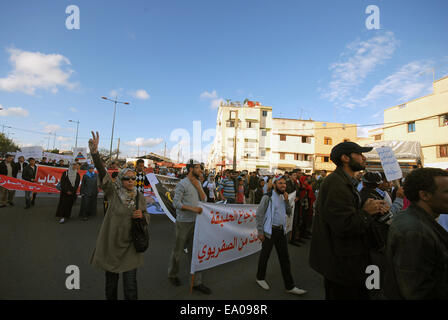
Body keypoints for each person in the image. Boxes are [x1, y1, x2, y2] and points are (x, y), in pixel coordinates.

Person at [309, 142, 389, 300]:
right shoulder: (336, 184)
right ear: (345, 158)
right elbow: (344, 226)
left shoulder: (344, 182)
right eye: (359, 154)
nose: (364, 158)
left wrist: (368, 208)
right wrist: (367, 212)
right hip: (341, 265)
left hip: (347, 262)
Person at [88, 131, 150, 300]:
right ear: (121, 180)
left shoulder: (139, 197)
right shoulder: (113, 193)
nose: (131, 181)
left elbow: (146, 217)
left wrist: (142, 216)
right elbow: (103, 173)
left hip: (131, 245)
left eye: (133, 178)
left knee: (131, 287)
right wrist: (95, 153)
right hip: (112, 245)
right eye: (127, 179)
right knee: (111, 286)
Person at [384, 168, 448, 299]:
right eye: (447, 192)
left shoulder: (419, 221)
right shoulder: (414, 231)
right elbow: (416, 290)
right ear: (424, 195)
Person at [255, 175, 307, 295]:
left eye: (284, 183)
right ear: (274, 184)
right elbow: (259, 215)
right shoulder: (267, 197)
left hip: (281, 231)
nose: (283, 185)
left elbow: (289, 212)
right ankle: (260, 277)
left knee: (285, 259)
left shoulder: (284, 196)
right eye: (280, 183)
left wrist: (287, 201)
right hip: (269, 231)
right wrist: (260, 232)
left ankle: (290, 286)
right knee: (265, 256)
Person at [169, 159, 211, 295]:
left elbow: (204, 200)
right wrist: (193, 209)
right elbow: (176, 203)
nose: (201, 170)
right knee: (178, 251)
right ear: (190, 169)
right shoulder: (182, 184)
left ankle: (197, 282)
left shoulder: (198, 182)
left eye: (201, 168)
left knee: (196, 252)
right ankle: (173, 274)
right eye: (198, 168)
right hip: (183, 223)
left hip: (197, 223)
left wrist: (198, 187)